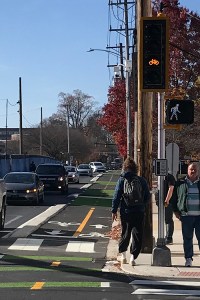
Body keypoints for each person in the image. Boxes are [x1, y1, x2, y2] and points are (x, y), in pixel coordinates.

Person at [111, 156, 150, 266]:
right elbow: (147, 196)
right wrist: (142, 205)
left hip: (126, 211)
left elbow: (116, 196)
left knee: (126, 232)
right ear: (135, 169)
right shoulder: (141, 180)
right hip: (139, 211)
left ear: (124, 168)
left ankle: (123, 255)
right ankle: (133, 257)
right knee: (137, 233)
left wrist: (114, 210)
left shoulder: (122, 180)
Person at [171, 162, 200, 267]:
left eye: (195, 169)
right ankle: (188, 258)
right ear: (187, 170)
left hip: (199, 217)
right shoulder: (180, 183)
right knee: (187, 238)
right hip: (186, 216)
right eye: (191, 169)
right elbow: (174, 199)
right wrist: (175, 211)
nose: (193, 171)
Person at [164, 173, 176, 244]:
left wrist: (167, 200)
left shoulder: (169, 177)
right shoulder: (159, 177)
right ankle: (167, 236)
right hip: (161, 201)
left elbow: (171, 188)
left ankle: (169, 237)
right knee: (166, 219)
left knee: (168, 219)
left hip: (167, 202)